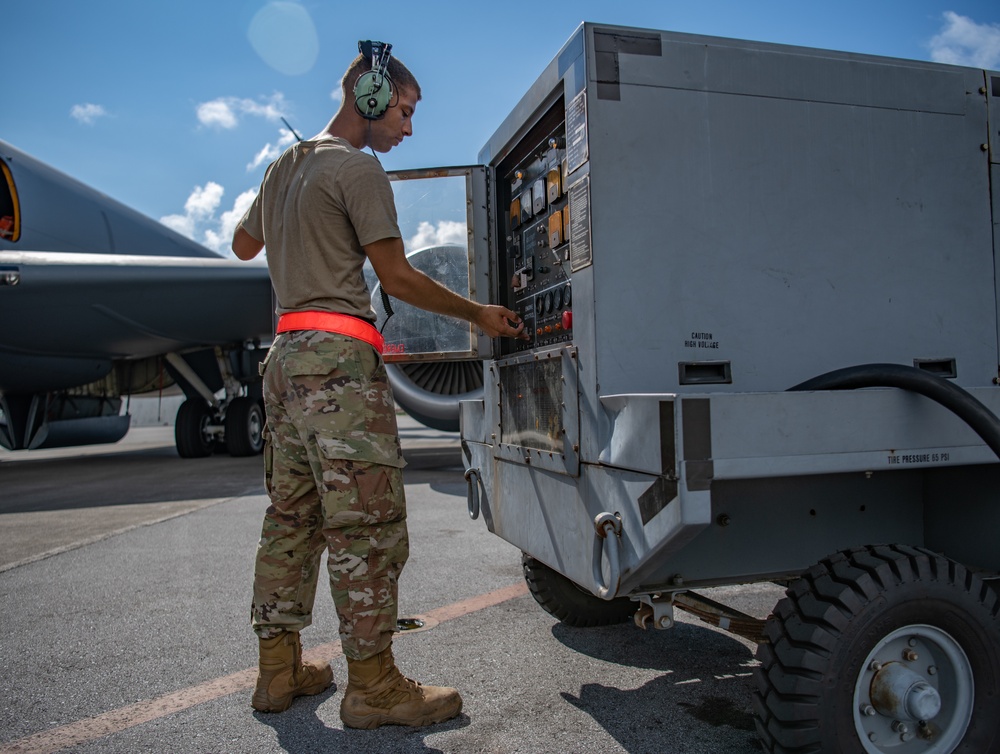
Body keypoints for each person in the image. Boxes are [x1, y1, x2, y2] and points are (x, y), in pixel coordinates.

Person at [231, 44, 525, 730]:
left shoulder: (285, 165)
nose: (408, 128)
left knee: (289, 523)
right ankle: (373, 687)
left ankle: (277, 674)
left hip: (283, 360)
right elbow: (396, 279)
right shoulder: (356, 168)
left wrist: (295, 228)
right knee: (365, 527)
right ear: (370, 99)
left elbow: (245, 246)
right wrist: (478, 313)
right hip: (337, 361)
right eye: (405, 109)